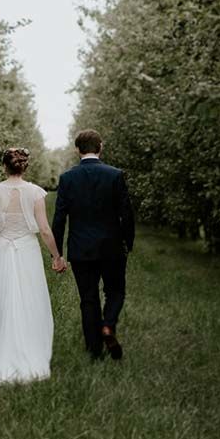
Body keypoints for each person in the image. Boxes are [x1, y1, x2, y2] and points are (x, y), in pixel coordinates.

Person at [0, 147, 64, 389]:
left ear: (4, 166)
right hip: (27, 248)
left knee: (2, 299)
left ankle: (1, 351)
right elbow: (45, 230)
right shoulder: (35, 192)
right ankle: (30, 350)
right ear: (24, 166)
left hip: (4, 247)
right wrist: (56, 256)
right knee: (30, 299)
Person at [51, 129, 135, 361]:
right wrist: (128, 242)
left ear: (77, 150)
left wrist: (56, 253)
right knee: (115, 291)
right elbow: (126, 213)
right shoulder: (115, 175)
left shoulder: (67, 179)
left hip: (80, 248)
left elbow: (59, 218)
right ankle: (108, 325)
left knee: (88, 298)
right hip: (111, 247)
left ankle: (94, 351)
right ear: (100, 147)